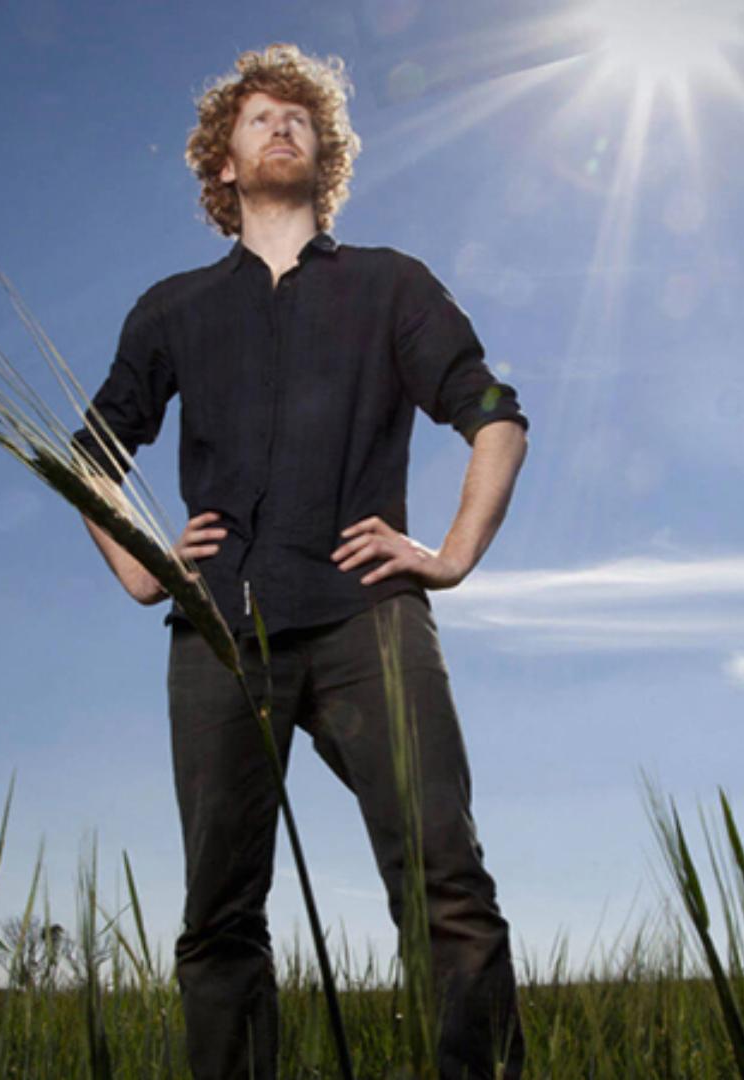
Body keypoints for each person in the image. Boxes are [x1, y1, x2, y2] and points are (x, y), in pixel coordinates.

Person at [73, 43, 528, 1080]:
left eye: (299, 117)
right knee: (219, 914)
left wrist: (450, 556)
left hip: (370, 620)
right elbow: (90, 453)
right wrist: (143, 565)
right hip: (221, 635)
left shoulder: (391, 286)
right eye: (257, 117)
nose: (281, 126)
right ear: (221, 163)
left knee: (445, 882)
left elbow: (496, 417)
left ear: (324, 155)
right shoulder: (173, 308)